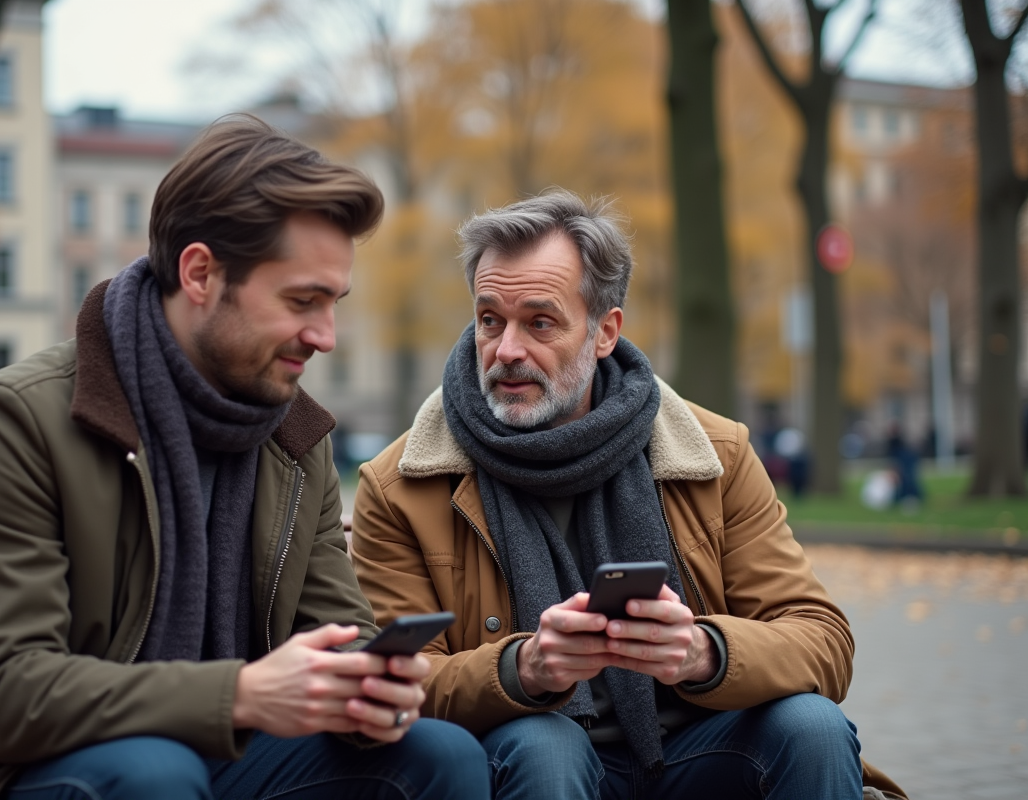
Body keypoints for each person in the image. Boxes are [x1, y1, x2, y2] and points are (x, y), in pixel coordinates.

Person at [0, 116, 488, 800]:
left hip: (214, 756)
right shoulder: (21, 419)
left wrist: (370, 688)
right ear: (199, 273)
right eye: (302, 301)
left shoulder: (295, 438)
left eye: (333, 304)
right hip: (5, 775)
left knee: (438, 756)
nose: (325, 337)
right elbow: (2, 696)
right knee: (155, 775)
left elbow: (339, 636)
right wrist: (237, 694)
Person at [350, 191, 907, 799]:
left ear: (604, 332)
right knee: (544, 744)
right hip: (532, 761)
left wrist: (702, 651)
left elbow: (822, 639)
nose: (506, 349)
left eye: (539, 321)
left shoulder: (714, 455)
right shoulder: (402, 484)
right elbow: (394, 682)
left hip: (697, 747)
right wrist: (523, 670)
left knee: (811, 726)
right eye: (490, 320)